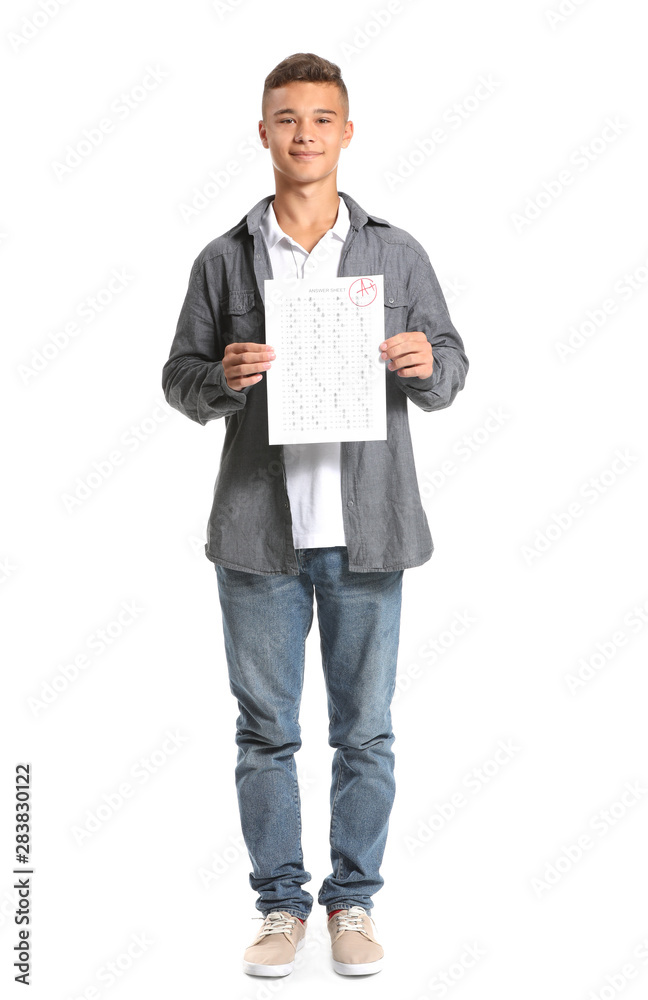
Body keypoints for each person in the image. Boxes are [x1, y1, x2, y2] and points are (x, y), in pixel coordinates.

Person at [162, 52, 469, 978]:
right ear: (263, 133)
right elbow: (178, 377)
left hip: (368, 533)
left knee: (365, 731)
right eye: (287, 118)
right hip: (260, 536)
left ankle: (354, 902)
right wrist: (222, 380)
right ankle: (279, 906)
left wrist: (424, 366)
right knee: (265, 732)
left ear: (346, 131)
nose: (304, 133)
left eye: (322, 118)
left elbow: (451, 367)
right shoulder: (224, 258)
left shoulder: (395, 252)